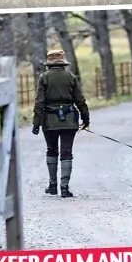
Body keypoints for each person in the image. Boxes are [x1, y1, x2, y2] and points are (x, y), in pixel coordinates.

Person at [32, 49, 90, 198]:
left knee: (51, 151)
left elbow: (39, 102)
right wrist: (86, 119)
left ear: (49, 63)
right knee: (66, 152)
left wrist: (36, 123)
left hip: (49, 121)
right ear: (63, 63)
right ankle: (64, 188)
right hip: (69, 120)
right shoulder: (71, 77)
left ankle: (52, 185)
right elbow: (80, 100)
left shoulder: (43, 78)